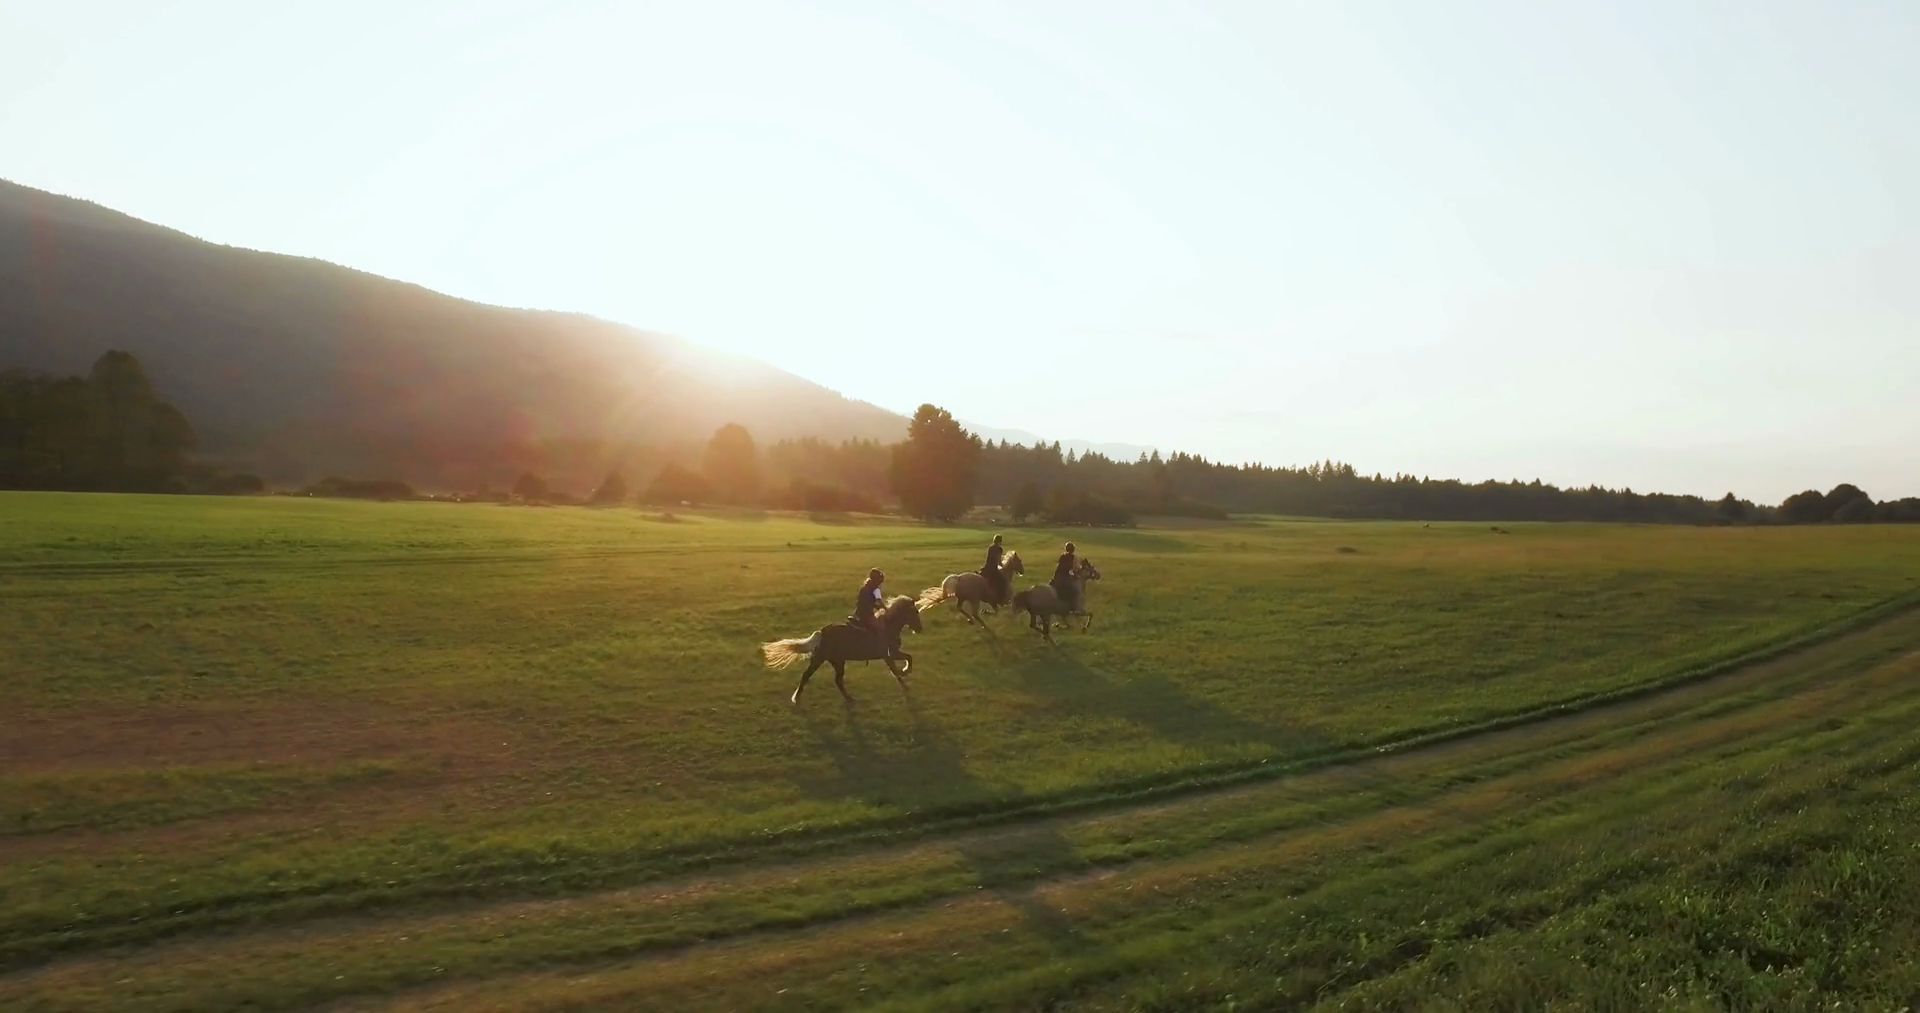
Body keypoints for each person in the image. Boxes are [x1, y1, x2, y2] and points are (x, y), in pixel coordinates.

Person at [853, 567, 887, 639]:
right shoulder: (875, 590)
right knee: (880, 627)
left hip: (858, 613)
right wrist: (886, 609)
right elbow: (878, 602)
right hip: (866, 616)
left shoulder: (865, 587)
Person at [1051, 541, 1078, 612]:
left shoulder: (1063, 556)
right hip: (1063, 577)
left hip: (1057, 576)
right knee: (1073, 590)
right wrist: (1074, 575)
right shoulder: (1071, 557)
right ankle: (1071, 607)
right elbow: (1069, 569)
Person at [982, 535, 1006, 601]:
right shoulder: (999, 549)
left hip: (986, 567)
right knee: (1003, 581)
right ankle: (1001, 597)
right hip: (993, 569)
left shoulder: (990, 547)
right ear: (1000, 541)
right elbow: (998, 561)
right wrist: (1003, 566)